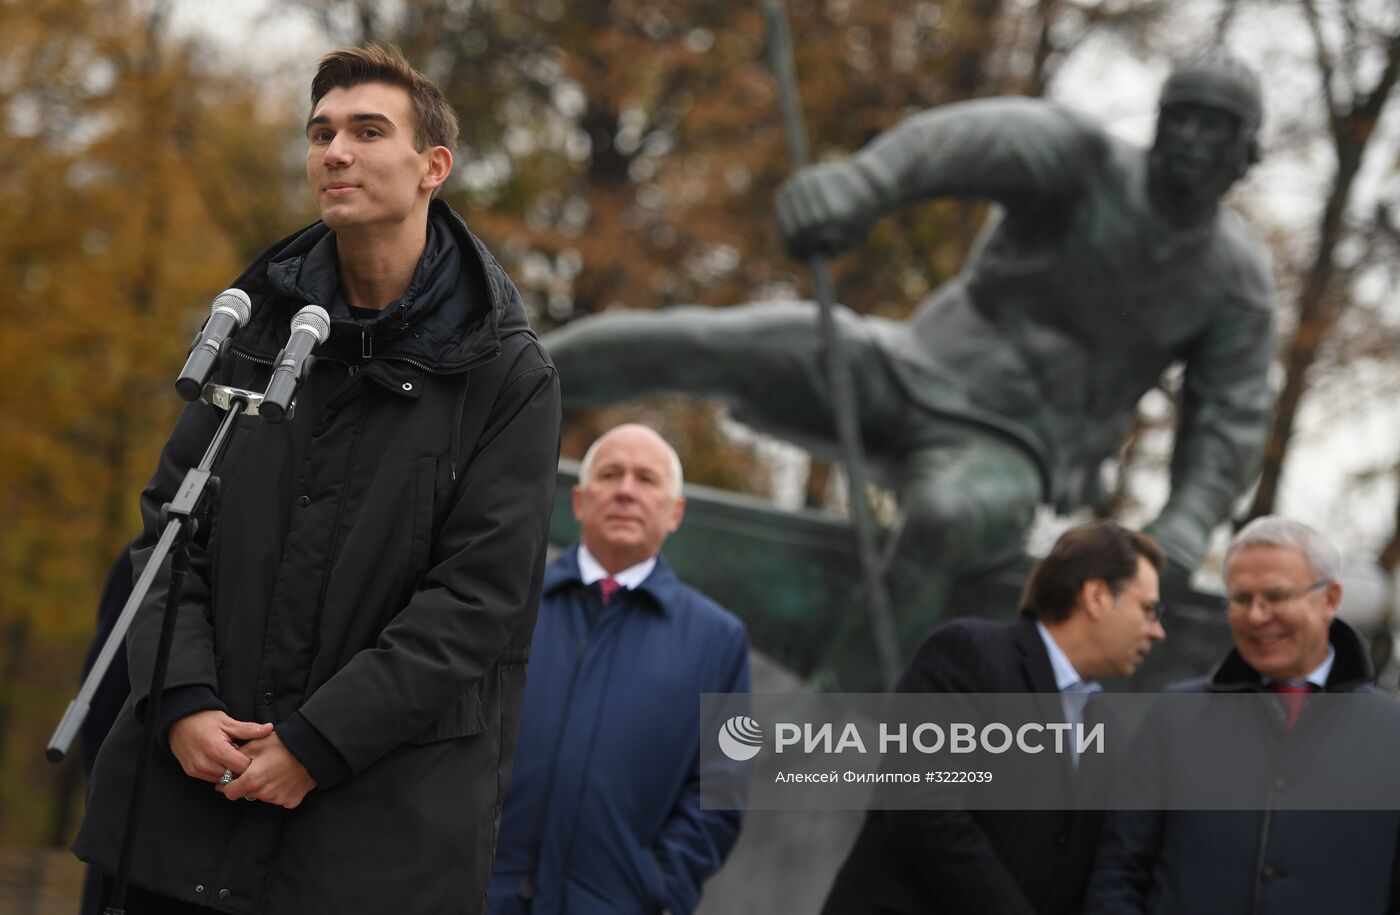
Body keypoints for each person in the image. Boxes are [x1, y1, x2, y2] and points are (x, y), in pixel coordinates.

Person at [543, 52, 1274, 650]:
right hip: (902, 366)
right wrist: (862, 185)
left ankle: (844, 715)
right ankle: (493, 384)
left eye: (1218, 130)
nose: (1194, 142)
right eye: (1182, 120)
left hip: (1010, 448)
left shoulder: (1233, 284)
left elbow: (1229, 421)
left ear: (1248, 155)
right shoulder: (1082, 161)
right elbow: (966, 142)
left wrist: (1183, 524)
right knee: (713, 342)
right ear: (1158, 123)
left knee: (947, 518)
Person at [73, 44, 561, 914]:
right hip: (179, 820)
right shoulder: (252, 327)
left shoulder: (507, 374)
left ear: (431, 168)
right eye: (321, 132)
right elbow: (167, 532)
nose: (336, 151)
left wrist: (316, 743)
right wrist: (181, 700)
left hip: (369, 849)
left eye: (369, 131)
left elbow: (475, 603)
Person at [822, 521, 1166, 914]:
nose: (1158, 632)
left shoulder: (1107, 731)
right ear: (1097, 596)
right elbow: (924, 807)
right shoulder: (967, 653)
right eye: (1149, 610)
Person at [488, 423, 750, 914]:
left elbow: (719, 792)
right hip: (474, 893)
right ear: (581, 501)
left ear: (675, 513)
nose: (627, 491)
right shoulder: (510, 601)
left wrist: (658, 889)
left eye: (646, 479)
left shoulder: (720, 640)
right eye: (611, 474)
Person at [1085, 517, 1400, 914]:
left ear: (1331, 599)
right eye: (1240, 598)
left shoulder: (1393, 732)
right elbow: (1119, 871)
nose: (1255, 616)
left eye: (1276, 596)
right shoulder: (1174, 715)